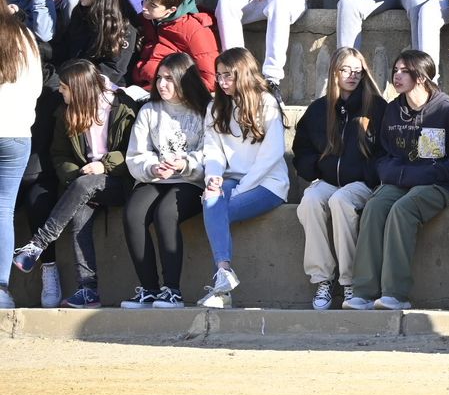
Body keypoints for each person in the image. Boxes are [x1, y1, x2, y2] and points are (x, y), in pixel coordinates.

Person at [346, 49, 449, 311]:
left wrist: (430, 174)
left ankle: (395, 294)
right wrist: (394, 173)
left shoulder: (446, 112)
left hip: (437, 185)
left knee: (402, 210)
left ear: (422, 76)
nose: (397, 75)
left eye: (405, 71)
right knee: (374, 207)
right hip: (399, 182)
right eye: (395, 70)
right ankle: (364, 293)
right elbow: (381, 155)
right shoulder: (393, 111)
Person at [12, 59, 137, 309]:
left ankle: (38, 244)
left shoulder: (122, 107)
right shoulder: (66, 113)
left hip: (120, 181)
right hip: (83, 183)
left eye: (64, 88)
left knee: (84, 186)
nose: (60, 91)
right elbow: (60, 155)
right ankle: (88, 290)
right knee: (79, 218)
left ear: (79, 89)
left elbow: (134, 152)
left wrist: (105, 166)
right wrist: (76, 176)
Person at [292, 47, 387, 311]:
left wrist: (370, 174)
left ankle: (350, 282)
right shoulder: (318, 110)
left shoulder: (376, 107)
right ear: (334, 72)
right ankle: (322, 279)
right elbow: (301, 150)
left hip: (363, 183)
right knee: (310, 200)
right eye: (345, 69)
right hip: (328, 180)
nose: (352, 75)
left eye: (357, 70)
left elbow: (386, 150)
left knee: (340, 201)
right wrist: (315, 169)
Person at [197, 48, 288, 308]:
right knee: (211, 198)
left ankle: (223, 287)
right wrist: (213, 177)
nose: (223, 83)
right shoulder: (215, 106)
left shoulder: (267, 102)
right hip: (231, 178)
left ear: (244, 74)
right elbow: (212, 150)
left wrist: (240, 190)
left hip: (267, 183)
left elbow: (271, 155)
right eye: (219, 76)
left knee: (217, 209)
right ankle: (223, 274)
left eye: (229, 76)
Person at [120, 52, 208, 309]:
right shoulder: (149, 110)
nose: (161, 84)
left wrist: (184, 164)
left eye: (169, 78)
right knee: (133, 214)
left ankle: (172, 290)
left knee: (165, 213)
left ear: (184, 79)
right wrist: (153, 167)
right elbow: (136, 154)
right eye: (159, 78)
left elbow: (211, 151)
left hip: (190, 180)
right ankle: (149, 289)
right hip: (154, 178)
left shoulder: (204, 110)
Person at [0, 4, 41, 309]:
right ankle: (1, 289)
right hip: (17, 133)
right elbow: (37, 88)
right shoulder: (26, 36)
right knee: (3, 213)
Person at [131, 0, 219, 92]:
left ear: (171, 10)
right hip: (142, 85)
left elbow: (211, 80)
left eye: (153, 5)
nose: (144, 7)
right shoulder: (149, 18)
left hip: (172, 94)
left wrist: (177, 90)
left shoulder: (194, 30)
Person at [55, 0, 138, 86]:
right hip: (73, 73)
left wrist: (76, 80)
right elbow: (66, 45)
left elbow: (113, 70)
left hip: (100, 85)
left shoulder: (124, 27)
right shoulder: (81, 12)